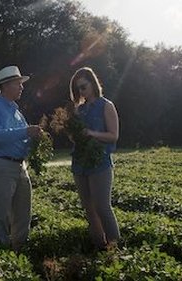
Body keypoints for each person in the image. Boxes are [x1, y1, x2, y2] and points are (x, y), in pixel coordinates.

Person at [0, 65, 43, 250]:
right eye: (18, 84)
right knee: (1, 212)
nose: (22, 87)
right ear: (5, 86)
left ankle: (19, 248)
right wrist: (25, 131)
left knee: (23, 210)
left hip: (20, 167)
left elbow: (22, 140)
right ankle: (0, 250)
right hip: (1, 166)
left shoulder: (17, 112)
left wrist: (35, 139)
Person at [69, 66, 120, 250]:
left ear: (93, 84)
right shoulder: (78, 110)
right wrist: (73, 133)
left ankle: (115, 249)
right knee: (89, 208)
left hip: (100, 163)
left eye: (83, 87)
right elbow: (75, 136)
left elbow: (113, 135)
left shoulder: (106, 105)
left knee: (102, 207)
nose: (81, 92)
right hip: (80, 163)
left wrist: (90, 133)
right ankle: (100, 246)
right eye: (78, 89)